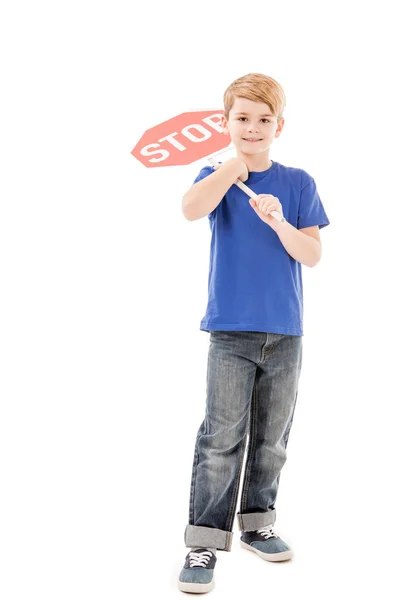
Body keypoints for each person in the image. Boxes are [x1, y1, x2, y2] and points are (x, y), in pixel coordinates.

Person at [177, 72, 330, 594]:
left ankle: (257, 522)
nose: (253, 127)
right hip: (230, 333)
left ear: (279, 126)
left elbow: (310, 254)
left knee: (272, 439)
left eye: (264, 119)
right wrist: (230, 171)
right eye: (242, 118)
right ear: (226, 123)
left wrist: (280, 222)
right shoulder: (215, 175)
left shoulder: (298, 183)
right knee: (221, 437)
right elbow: (190, 209)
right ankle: (204, 539)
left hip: (285, 333)